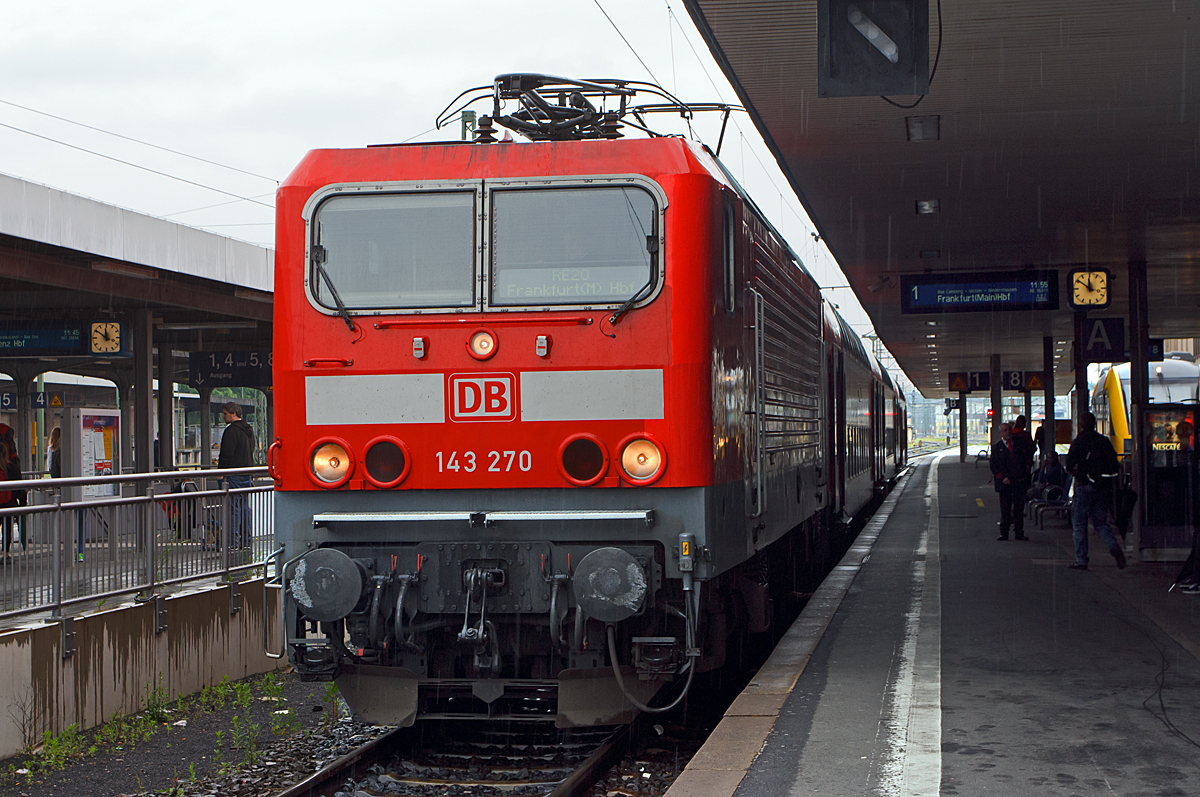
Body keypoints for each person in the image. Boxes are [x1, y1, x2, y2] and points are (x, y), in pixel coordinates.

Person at [1065, 411, 1125, 571]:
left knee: (1079, 523)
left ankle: (1081, 560)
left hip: (1084, 485)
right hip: (1102, 487)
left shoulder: (1079, 441)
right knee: (1100, 522)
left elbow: (1069, 465)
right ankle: (1113, 546)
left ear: (1081, 425)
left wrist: (1079, 470)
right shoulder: (1103, 441)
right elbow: (1115, 464)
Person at [217, 402, 255, 549]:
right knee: (245, 508)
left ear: (233, 414)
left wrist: (221, 472)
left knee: (233, 510)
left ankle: (232, 543)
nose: (223, 416)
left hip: (233, 474)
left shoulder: (231, 431)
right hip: (247, 474)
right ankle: (246, 541)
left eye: (225, 414)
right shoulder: (249, 430)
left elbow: (226, 454)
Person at [990, 422, 1032, 541]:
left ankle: (1019, 532)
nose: (1007, 432)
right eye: (1004, 431)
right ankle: (1004, 533)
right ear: (1000, 433)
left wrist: (1024, 475)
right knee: (1005, 509)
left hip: (1018, 482)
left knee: (1019, 509)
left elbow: (1025, 461)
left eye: (1008, 430)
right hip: (1005, 483)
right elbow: (994, 466)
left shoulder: (1019, 445)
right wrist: (1002, 478)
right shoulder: (997, 448)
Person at [0, 440, 26, 558]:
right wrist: (22, 504)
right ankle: (5, 553)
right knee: (7, 528)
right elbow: (20, 487)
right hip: (8, 503)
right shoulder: (11, 467)